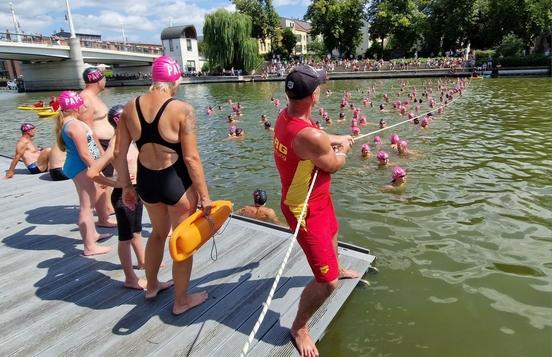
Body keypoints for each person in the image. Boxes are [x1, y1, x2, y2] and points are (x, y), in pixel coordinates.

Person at [113, 55, 212, 315]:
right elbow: (191, 158)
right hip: (176, 183)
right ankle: (181, 301)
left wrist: (126, 187)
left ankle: (152, 285)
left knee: (157, 234)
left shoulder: (129, 107)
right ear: (175, 80)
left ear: (153, 79)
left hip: (146, 182)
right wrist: (205, 196)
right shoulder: (182, 109)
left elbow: (118, 154)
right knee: (181, 242)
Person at [273, 65, 359, 357]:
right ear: (314, 95)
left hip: (318, 199)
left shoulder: (285, 117)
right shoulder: (311, 137)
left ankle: (338, 265)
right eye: (319, 85)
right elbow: (333, 164)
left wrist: (335, 138)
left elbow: (314, 140)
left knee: (334, 231)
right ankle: (299, 327)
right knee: (327, 282)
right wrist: (344, 149)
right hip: (304, 209)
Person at [87, 105, 146, 289]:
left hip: (136, 192)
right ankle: (130, 279)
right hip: (124, 195)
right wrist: (116, 183)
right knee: (125, 238)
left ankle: (143, 262)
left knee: (136, 231)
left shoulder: (130, 140)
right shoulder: (115, 144)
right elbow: (93, 172)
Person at [55, 90, 112, 256]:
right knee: (86, 207)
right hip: (80, 168)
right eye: (81, 105)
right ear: (75, 108)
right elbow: (84, 154)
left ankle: (92, 234)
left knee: (89, 203)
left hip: (77, 167)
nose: (84, 107)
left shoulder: (69, 122)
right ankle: (89, 246)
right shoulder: (74, 126)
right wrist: (97, 173)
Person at [80, 66, 117, 228]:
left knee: (109, 177)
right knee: (103, 179)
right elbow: (88, 129)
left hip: (106, 142)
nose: (105, 81)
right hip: (100, 143)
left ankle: (107, 208)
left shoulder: (93, 96)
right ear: (98, 80)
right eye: (104, 78)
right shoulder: (87, 99)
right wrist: (101, 151)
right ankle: (104, 215)